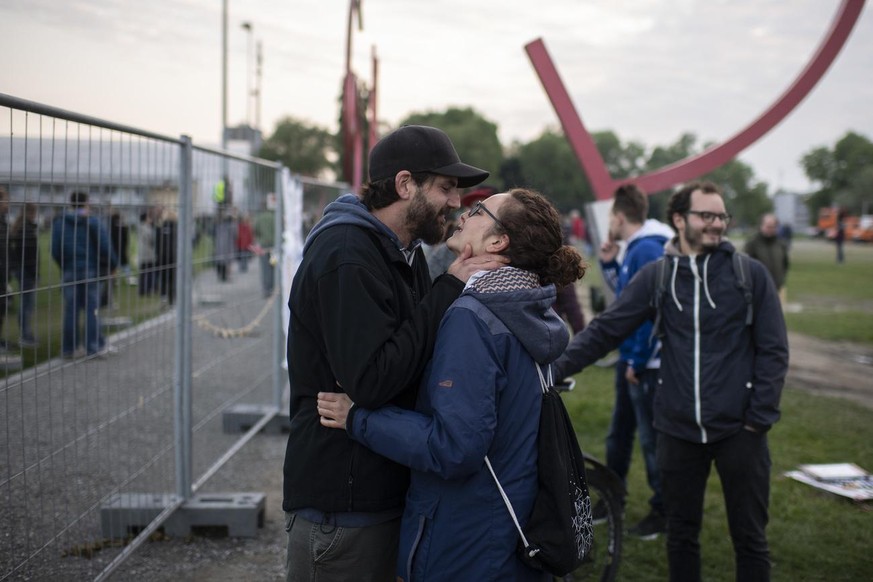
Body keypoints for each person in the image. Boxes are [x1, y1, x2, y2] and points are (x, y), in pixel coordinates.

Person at [318, 188, 586, 580]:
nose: (463, 214)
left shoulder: (473, 319)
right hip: (508, 529)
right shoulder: (527, 307)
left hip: (465, 542)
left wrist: (358, 418)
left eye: (478, 211)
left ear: (497, 241)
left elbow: (455, 447)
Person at [282, 124, 506, 582]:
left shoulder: (403, 252)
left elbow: (411, 359)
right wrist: (448, 290)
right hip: (342, 507)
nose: (455, 202)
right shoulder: (347, 254)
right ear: (405, 184)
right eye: (445, 187)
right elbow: (373, 380)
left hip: (380, 490)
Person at [553, 181, 788, 582]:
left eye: (721, 216)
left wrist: (757, 419)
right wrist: (550, 371)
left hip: (739, 432)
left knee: (750, 539)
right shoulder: (658, 276)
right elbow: (606, 330)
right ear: (680, 219)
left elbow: (774, 351)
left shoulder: (750, 276)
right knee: (681, 536)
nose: (717, 224)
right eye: (707, 216)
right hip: (677, 431)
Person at [595, 183, 674, 538]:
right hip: (632, 358)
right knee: (619, 436)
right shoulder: (634, 250)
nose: (609, 223)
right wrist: (609, 263)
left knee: (650, 440)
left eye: (611, 216)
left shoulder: (646, 250)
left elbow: (647, 314)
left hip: (642, 363)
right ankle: (613, 497)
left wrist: (637, 361)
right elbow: (627, 302)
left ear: (620, 216)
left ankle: (664, 511)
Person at [51, 191, 119, 358]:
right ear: (86, 202)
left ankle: (69, 348)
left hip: (69, 269)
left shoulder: (60, 223)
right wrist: (113, 264)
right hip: (90, 269)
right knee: (92, 309)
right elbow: (105, 245)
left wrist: (65, 265)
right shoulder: (92, 221)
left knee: (70, 310)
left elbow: (55, 249)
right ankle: (92, 347)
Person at [10, 203, 40, 348]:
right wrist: (34, 273)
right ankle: (25, 335)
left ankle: (26, 334)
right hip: (26, 271)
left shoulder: (24, 227)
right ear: (31, 212)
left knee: (27, 303)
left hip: (23, 270)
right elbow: (29, 255)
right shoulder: (26, 229)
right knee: (27, 304)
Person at [745, 213, 789, 304]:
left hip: (777, 287)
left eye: (773, 227)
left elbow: (785, 264)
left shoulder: (781, 244)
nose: (770, 229)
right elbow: (746, 265)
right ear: (761, 226)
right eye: (768, 226)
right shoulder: (752, 243)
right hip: (757, 288)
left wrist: (781, 279)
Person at [0, 189, 23, 364]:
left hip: (4, 273)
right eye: (6, 200)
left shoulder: (3, 222)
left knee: (2, 309)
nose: (8, 204)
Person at [252, 204, 276, 298]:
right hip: (273, 246)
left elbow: (255, 229)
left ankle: (266, 290)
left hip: (263, 246)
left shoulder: (259, 218)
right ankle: (272, 287)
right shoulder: (273, 217)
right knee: (272, 266)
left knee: (264, 267)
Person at [137, 209, 157, 295]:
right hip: (147, 254)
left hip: (143, 254)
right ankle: (147, 290)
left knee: (143, 273)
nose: (151, 219)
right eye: (149, 218)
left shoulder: (140, 227)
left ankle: (143, 290)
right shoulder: (146, 228)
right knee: (148, 273)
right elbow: (152, 239)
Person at [213, 210, 236, 282]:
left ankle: (222, 275)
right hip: (226, 247)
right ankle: (224, 276)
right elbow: (234, 235)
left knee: (221, 260)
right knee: (224, 261)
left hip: (221, 246)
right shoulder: (230, 226)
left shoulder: (219, 226)